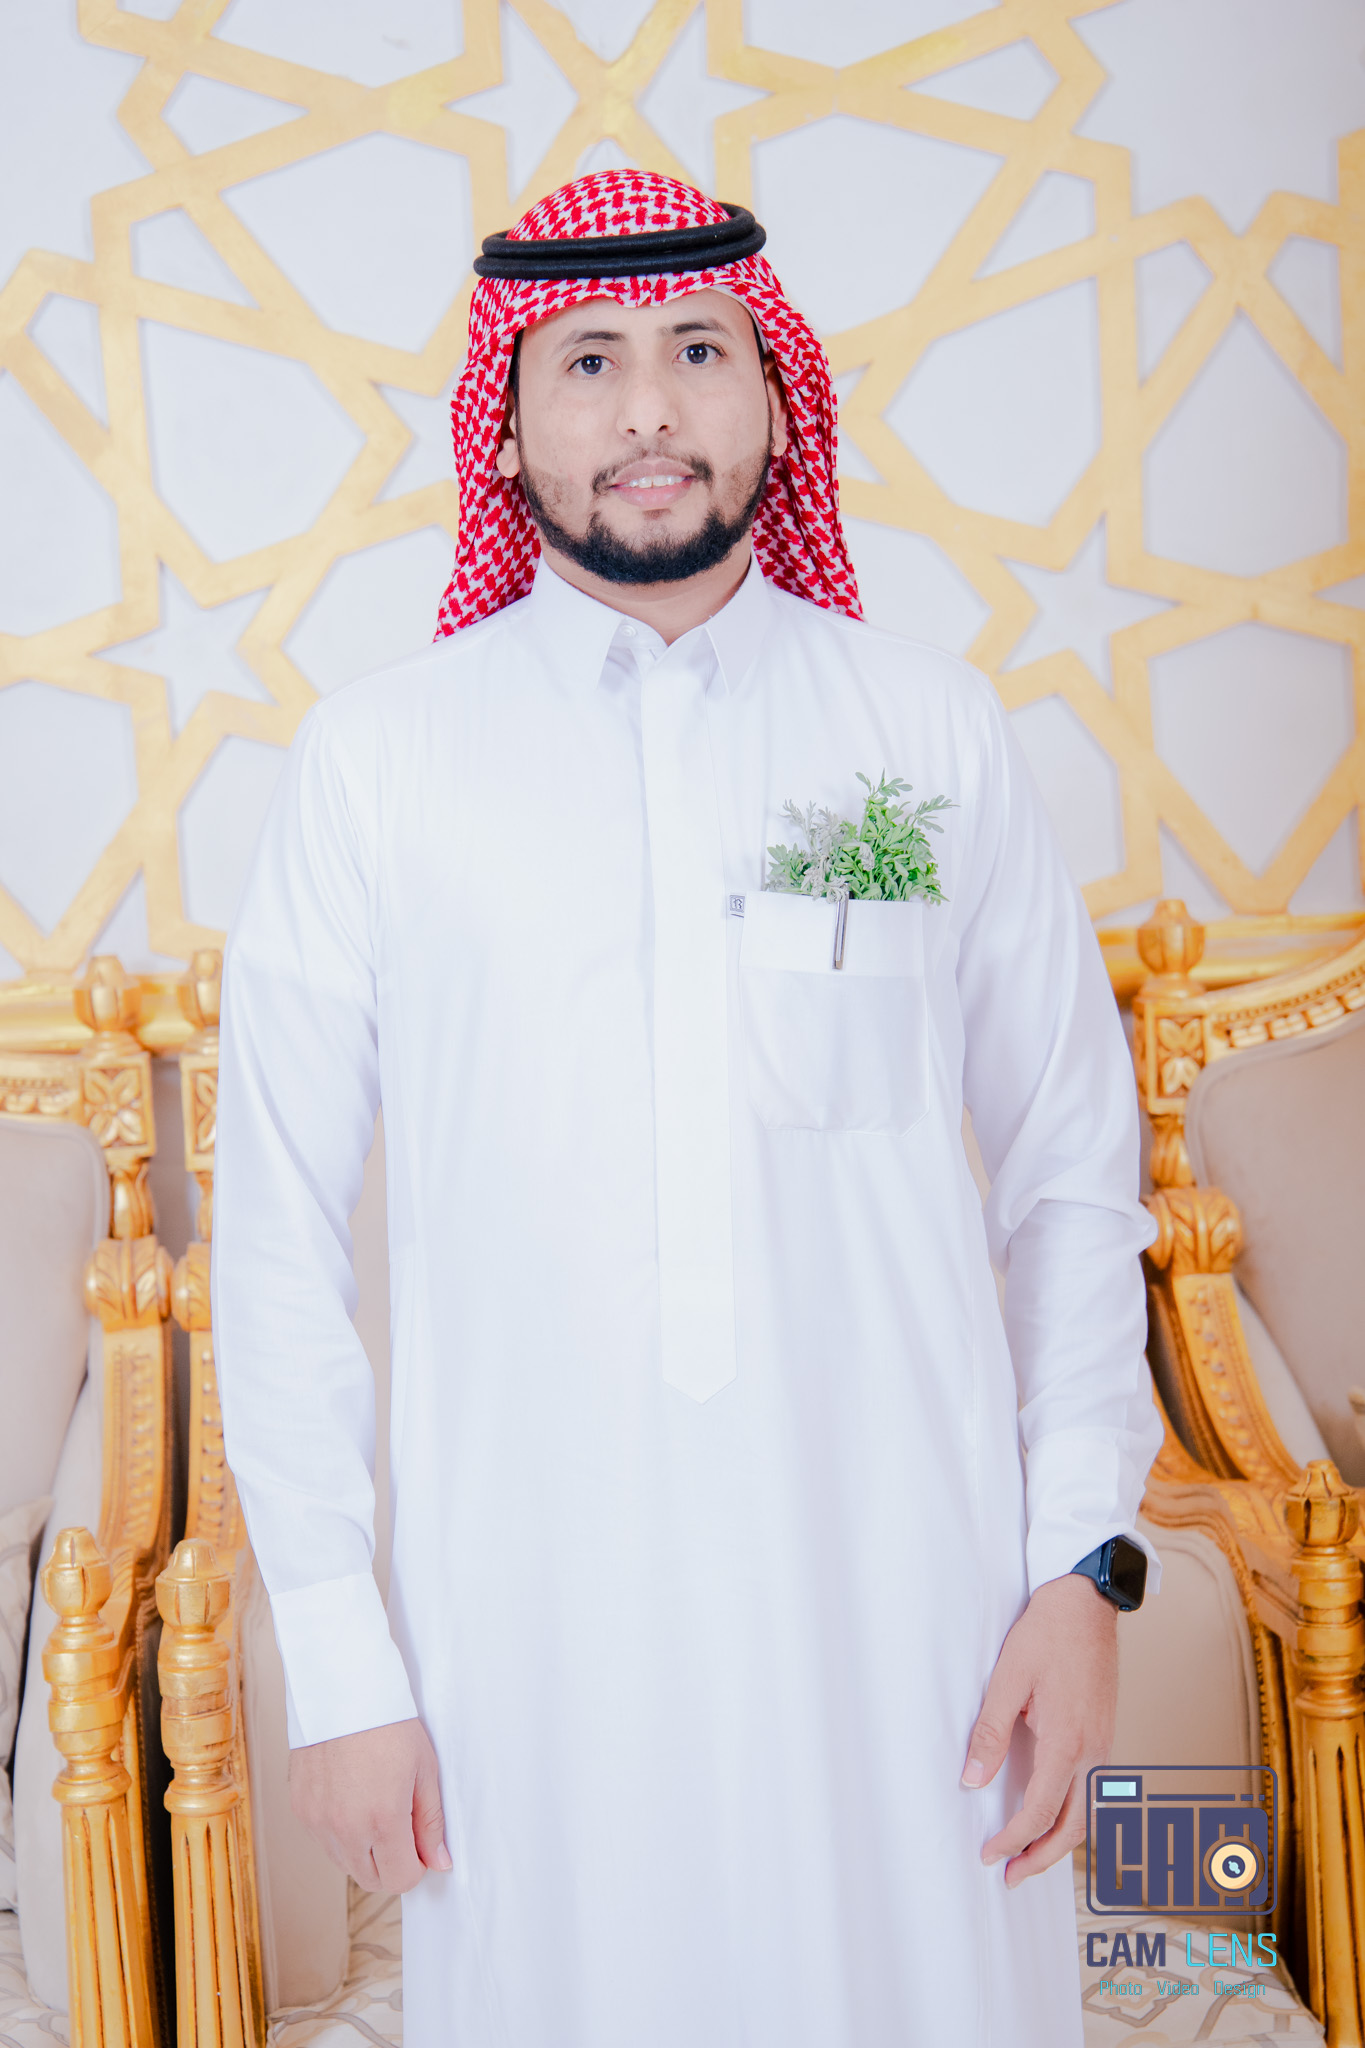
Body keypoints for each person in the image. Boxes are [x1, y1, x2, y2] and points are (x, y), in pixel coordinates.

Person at [213, 170, 1163, 2047]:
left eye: (697, 350)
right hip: (532, 1629)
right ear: (505, 425)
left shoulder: (925, 728)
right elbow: (277, 1234)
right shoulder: (376, 766)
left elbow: (1069, 1175)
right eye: (587, 360)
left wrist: (1082, 1573)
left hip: (914, 1615)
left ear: (775, 401)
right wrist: (337, 1658)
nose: (647, 406)